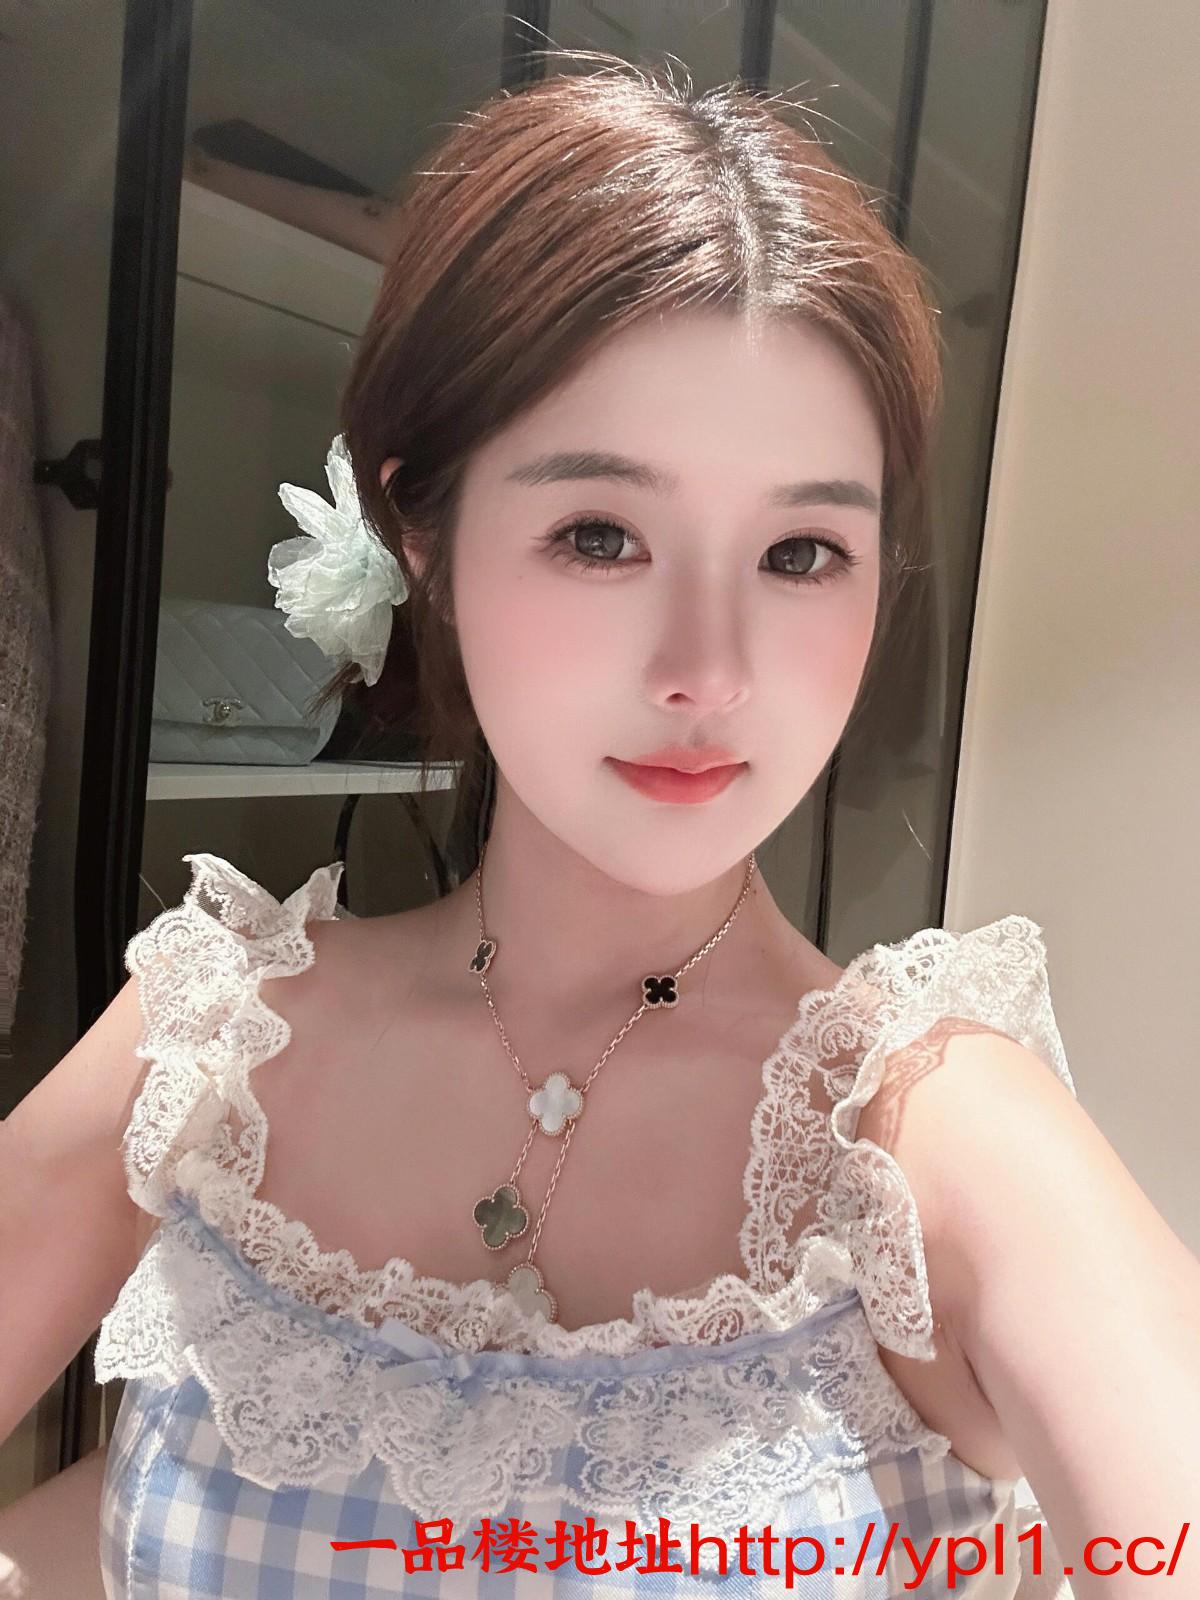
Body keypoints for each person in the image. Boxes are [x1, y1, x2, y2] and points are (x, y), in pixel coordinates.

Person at [2, 50, 1198, 1600]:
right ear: (422, 532)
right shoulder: (212, 1049)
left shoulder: (928, 1145)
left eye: (801, 552)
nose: (709, 671)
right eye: (600, 534)